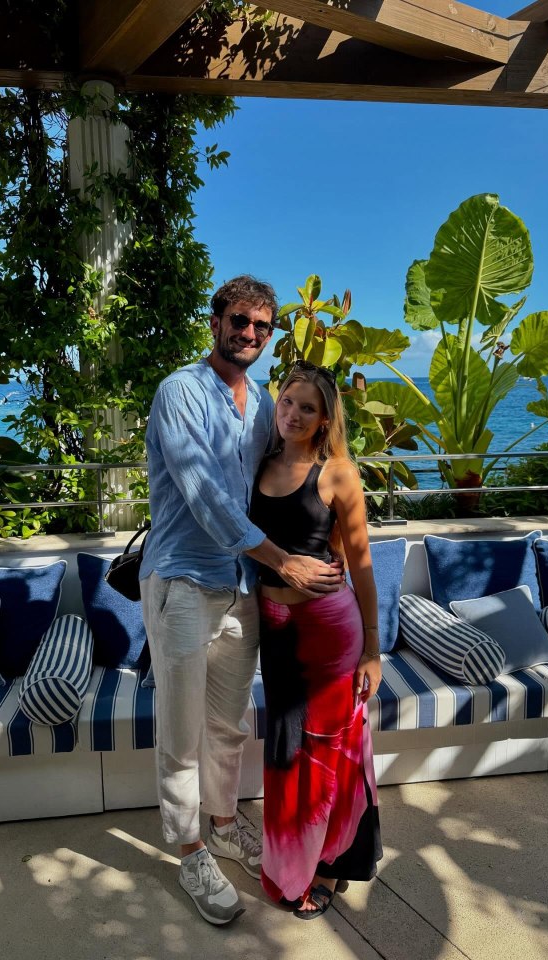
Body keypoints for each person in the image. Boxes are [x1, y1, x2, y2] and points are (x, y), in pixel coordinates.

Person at [139, 276, 343, 927]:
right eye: (239, 321)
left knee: (228, 724)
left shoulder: (262, 403)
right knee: (179, 729)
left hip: (241, 591)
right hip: (182, 586)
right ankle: (190, 848)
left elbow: (287, 471)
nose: (249, 333)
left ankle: (223, 822)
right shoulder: (180, 392)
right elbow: (205, 497)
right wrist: (284, 560)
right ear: (216, 319)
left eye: (261, 326)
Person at [249, 359, 383, 919]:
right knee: (287, 749)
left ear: (325, 418)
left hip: (330, 631)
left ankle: (329, 864)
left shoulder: (337, 474)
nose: (293, 414)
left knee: (330, 750)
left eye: (308, 408)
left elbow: (363, 566)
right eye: (287, 402)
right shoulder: (255, 462)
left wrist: (373, 650)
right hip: (276, 632)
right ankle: (292, 863)